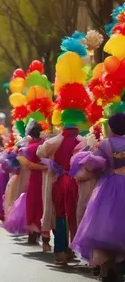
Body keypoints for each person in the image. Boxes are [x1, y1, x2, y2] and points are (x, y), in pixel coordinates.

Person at [71, 113, 125, 282]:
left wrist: (86, 156)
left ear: (112, 127)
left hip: (108, 187)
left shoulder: (105, 144)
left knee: (105, 226)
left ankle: (107, 267)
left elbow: (96, 164)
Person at [37, 124, 81, 265]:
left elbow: (40, 153)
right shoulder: (83, 141)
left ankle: (60, 251)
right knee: (75, 215)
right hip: (79, 182)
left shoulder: (54, 141)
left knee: (60, 215)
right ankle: (71, 247)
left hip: (59, 182)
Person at [19, 122, 51, 251]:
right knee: (44, 204)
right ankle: (42, 233)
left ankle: (33, 233)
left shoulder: (30, 147)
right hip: (46, 177)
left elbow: (29, 165)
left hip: (35, 178)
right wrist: (46, 167)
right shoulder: (47, 145)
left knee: (34, 203)